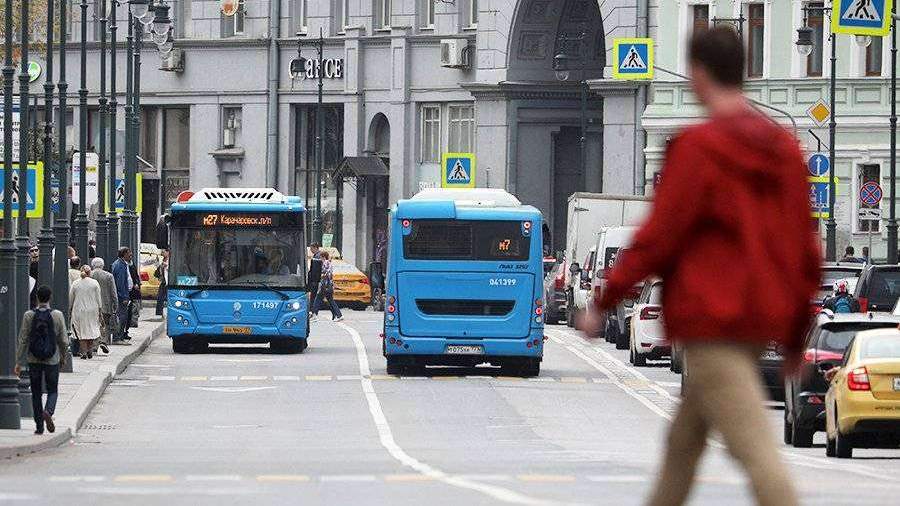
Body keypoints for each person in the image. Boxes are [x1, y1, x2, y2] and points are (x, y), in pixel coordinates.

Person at [583, 27, 819, 506]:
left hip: (711, 321)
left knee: (755, 450)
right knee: (683, 443)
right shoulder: (783, 150)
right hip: (758, 319)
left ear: (697, 74)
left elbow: (659, 238)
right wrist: (796, 333)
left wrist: (604, 301)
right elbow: (803, 250)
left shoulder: (698, 148)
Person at [15, 285, 68, 435]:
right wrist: (63, 357)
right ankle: (48, 411)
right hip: (52, 359)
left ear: (37, 298)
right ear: (50, 297)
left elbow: (23, 339)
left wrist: (19, 361)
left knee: (36, 392)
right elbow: (63, 340)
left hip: (34, 359)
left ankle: (39, 426)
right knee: (52, 390)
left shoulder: (28, 315)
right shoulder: (57, 315)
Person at [70, 265, 102, 360]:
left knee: (81, 331)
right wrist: (100, 310)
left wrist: (70, 308)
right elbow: (98, 299)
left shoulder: (75, 283)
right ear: (90, 272)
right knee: (91, 329)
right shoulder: (95, 283)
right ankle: (90, 350)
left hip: (79, 309)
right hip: (92, 309)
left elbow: (71, 297)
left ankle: (83, 351)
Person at [90, 257, 117, 354]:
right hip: (106, 304)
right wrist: (115, 304)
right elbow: (113, 292)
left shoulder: (90, 275)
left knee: (94, 324)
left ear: (93, 265)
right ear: (102, 265)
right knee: (105, 324)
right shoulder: (108, 276)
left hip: (92, 305)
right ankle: (103, 341)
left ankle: (95, 345)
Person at [310, 251, 343, 322]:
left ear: (323, 257)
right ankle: (339, 315)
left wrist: (320, 276)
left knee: (317, 300)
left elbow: (325, 273)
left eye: (321, 257)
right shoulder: (329, 263)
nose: (320, 259)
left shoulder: (325, 263)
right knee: (330, 300)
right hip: (329, 285)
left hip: (324, 285)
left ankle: (314, 315)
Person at [111, 247, 134, 344]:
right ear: (124, 254)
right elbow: (120, 283)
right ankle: (118, 338)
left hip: (124, 294)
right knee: (121, 317)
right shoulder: (120, 265)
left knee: (122, 316)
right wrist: (124, 296)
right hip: (122, 297)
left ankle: (120, 336)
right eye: (129, 253)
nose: (131, 255)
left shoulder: (122, 264)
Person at [308, 242, 323, 309]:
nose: (311, 250)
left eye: (311, 248)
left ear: (315, 248)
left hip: (315, 280)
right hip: (315, 280)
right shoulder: (316, 255)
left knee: (314, 296)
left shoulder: (317, 256)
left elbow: (316, 270)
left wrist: (314, 280)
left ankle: (312, 309)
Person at [155, 250, 168, 317]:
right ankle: (160, 313)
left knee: (167, 297)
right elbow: (158, 268)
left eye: (163, 252)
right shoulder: (161, 259)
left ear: (168, 252)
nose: (161, 253)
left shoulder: (171, 259)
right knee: (160, 297)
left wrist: (166, 265)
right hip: (163, 281)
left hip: (169, 282)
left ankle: (166, 313)